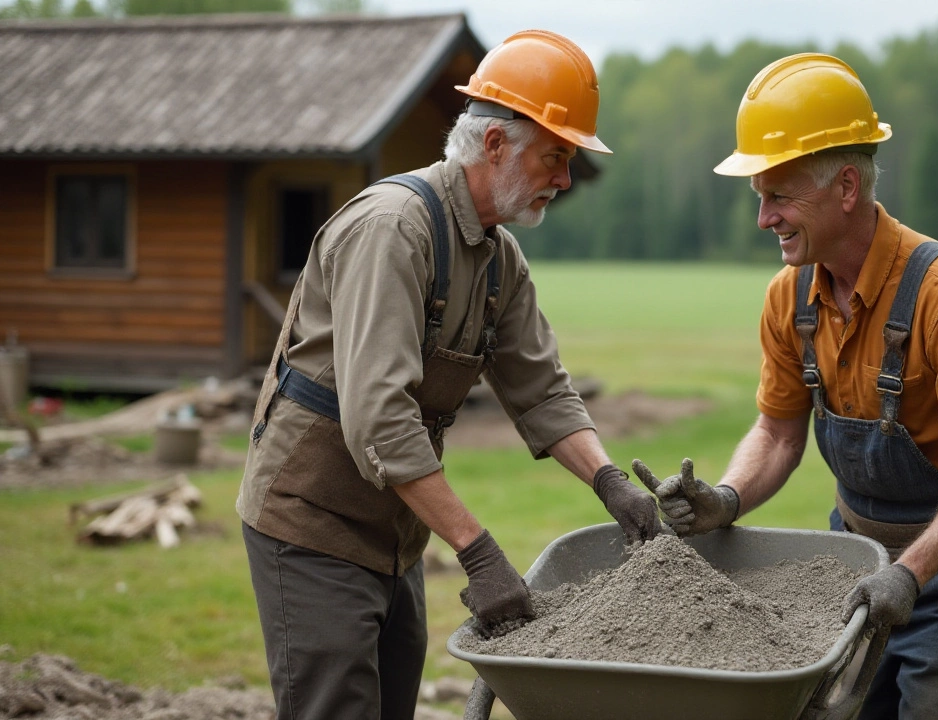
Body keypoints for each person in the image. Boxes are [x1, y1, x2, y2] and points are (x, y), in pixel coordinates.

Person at [236, 30, 661, 720]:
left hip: (394, 527)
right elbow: (378, 418)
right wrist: (479, 551)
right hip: (311, 520)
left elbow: (543, 389)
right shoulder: (394, 229)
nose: (564, 178)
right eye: (556, 157)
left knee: (393, 702)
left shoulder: (499, 258)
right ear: (495, 145)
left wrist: (611, 484)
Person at [635, 53, 938, 719]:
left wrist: (910, 572)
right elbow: (775, 431)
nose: (764, 217)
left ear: (846, 187)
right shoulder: (788, 296)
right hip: (852, 562)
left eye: (780, 196)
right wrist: (727, 499)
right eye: (759, 197)